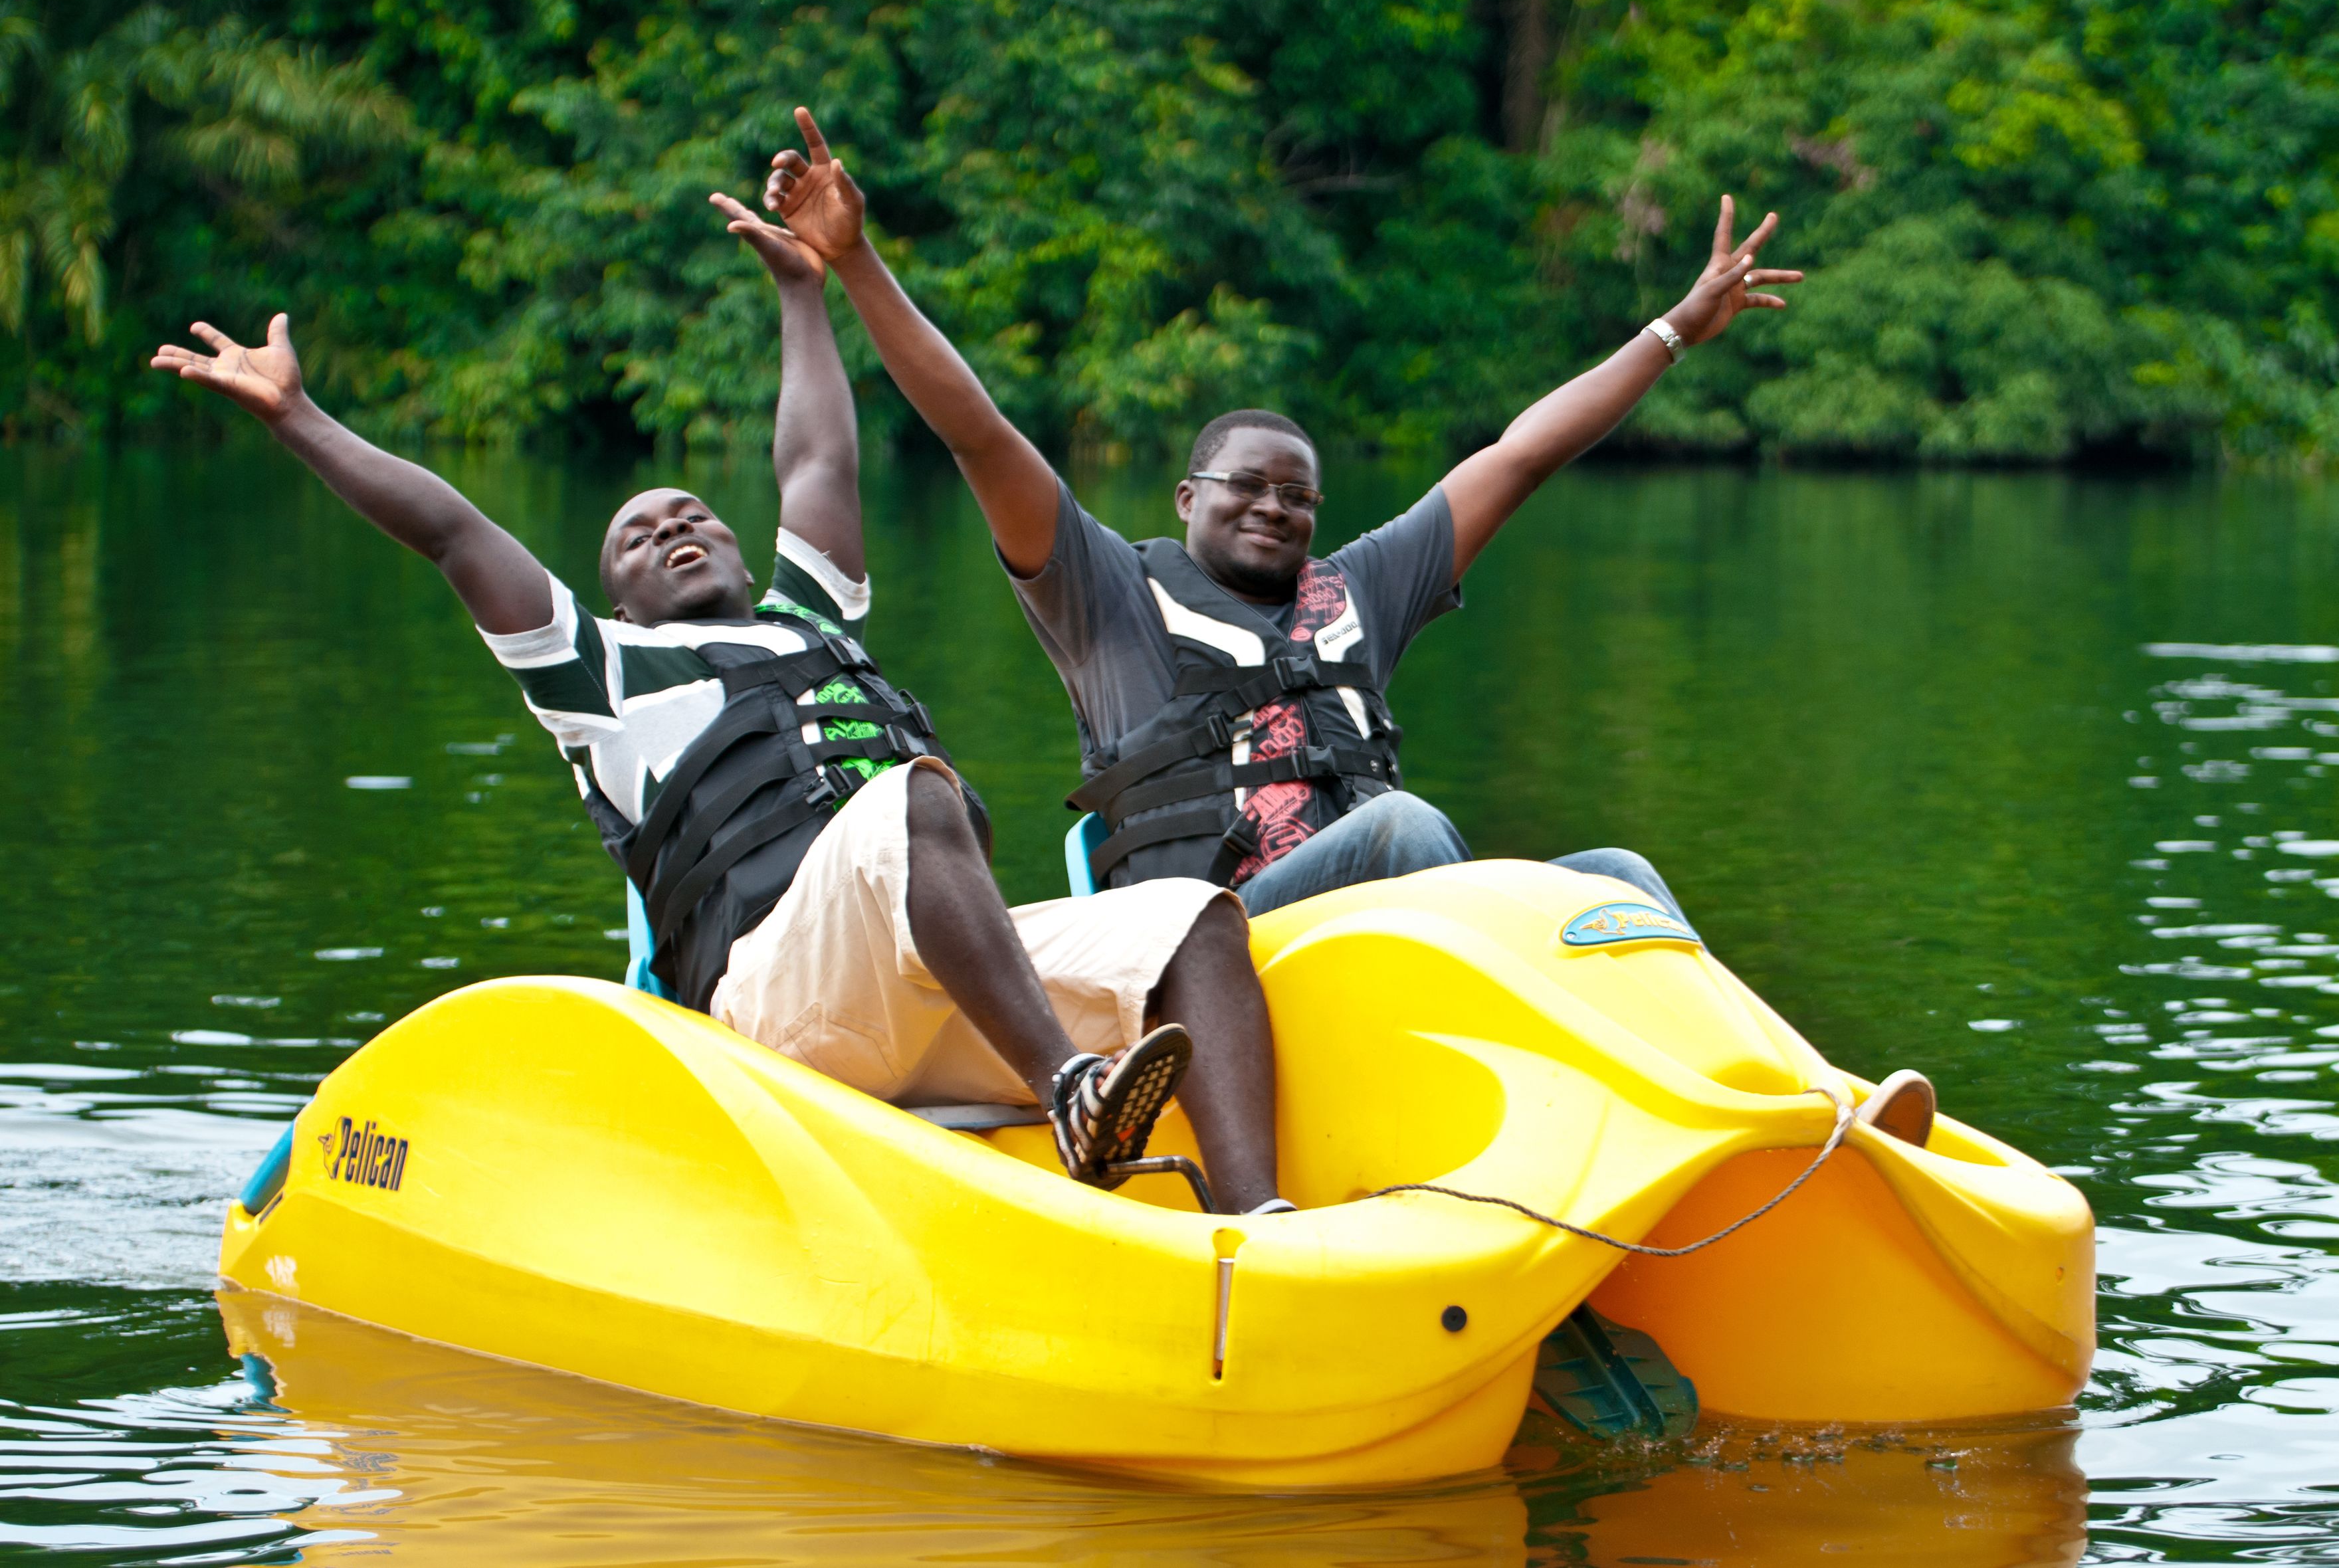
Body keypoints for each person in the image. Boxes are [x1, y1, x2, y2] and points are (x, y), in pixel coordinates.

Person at [146, 189, 1293, 1215]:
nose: (672, 528)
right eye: (637, 534)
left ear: (740, 548)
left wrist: (804, 289)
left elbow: (818, 467)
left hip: (946, 993)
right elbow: (450, 531)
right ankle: (1073, 1098)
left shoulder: (814, 620)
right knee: (911, 800)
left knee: (1192, 914)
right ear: (618, 595)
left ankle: (1258, 1226)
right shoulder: (597, 674)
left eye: (691, 512)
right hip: (778, 1016)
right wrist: (299, 419)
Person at [754, 111, 1802, 912]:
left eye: (1298, 494)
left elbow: (1522, 453)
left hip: (1386, 917)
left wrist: (1671, 328)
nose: (1274, 506)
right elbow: (976, 428)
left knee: (1615, 877)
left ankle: (1783, 1099)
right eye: (1247, 486)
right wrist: (855, 262)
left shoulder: (1360, 589)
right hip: (1220, 942)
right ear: (1187, 497)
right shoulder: (1106, 586)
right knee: (1403, 828)